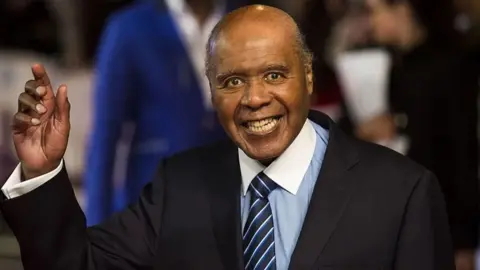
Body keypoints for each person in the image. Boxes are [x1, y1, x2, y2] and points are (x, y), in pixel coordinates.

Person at [1, 5, 454, 270]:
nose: (255, 98)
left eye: (275, 74)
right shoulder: (178, 186)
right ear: (212, 91)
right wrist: (41, 172)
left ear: (309, 77)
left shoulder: (403, 193)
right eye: (233, 82)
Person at [340, 0, 479, 269]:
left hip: (441, 218)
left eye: (374, 11)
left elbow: (462, 155)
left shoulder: (450, 65)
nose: (370, 22)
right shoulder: (386, 63)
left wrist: (464, 243)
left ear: (403, 10)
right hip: (393, 218)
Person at [83, 0, 241, 225]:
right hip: (153, 213)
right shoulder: (130, 28)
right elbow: (104, 139)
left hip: (231, 215)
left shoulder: (249, 22)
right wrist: (94, 234)